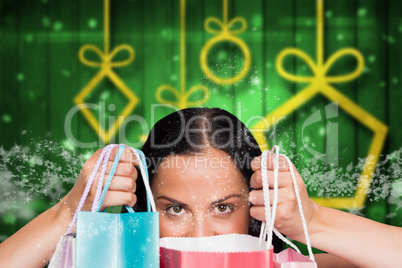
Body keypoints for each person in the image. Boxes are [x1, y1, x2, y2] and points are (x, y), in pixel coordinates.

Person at [0, 107, 399, 268]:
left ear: (257, 209)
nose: (201, 236)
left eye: (223, 208)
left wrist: (316, 222)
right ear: (145, 211)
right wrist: (68, 213)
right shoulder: (111, 262)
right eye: (174, 209)